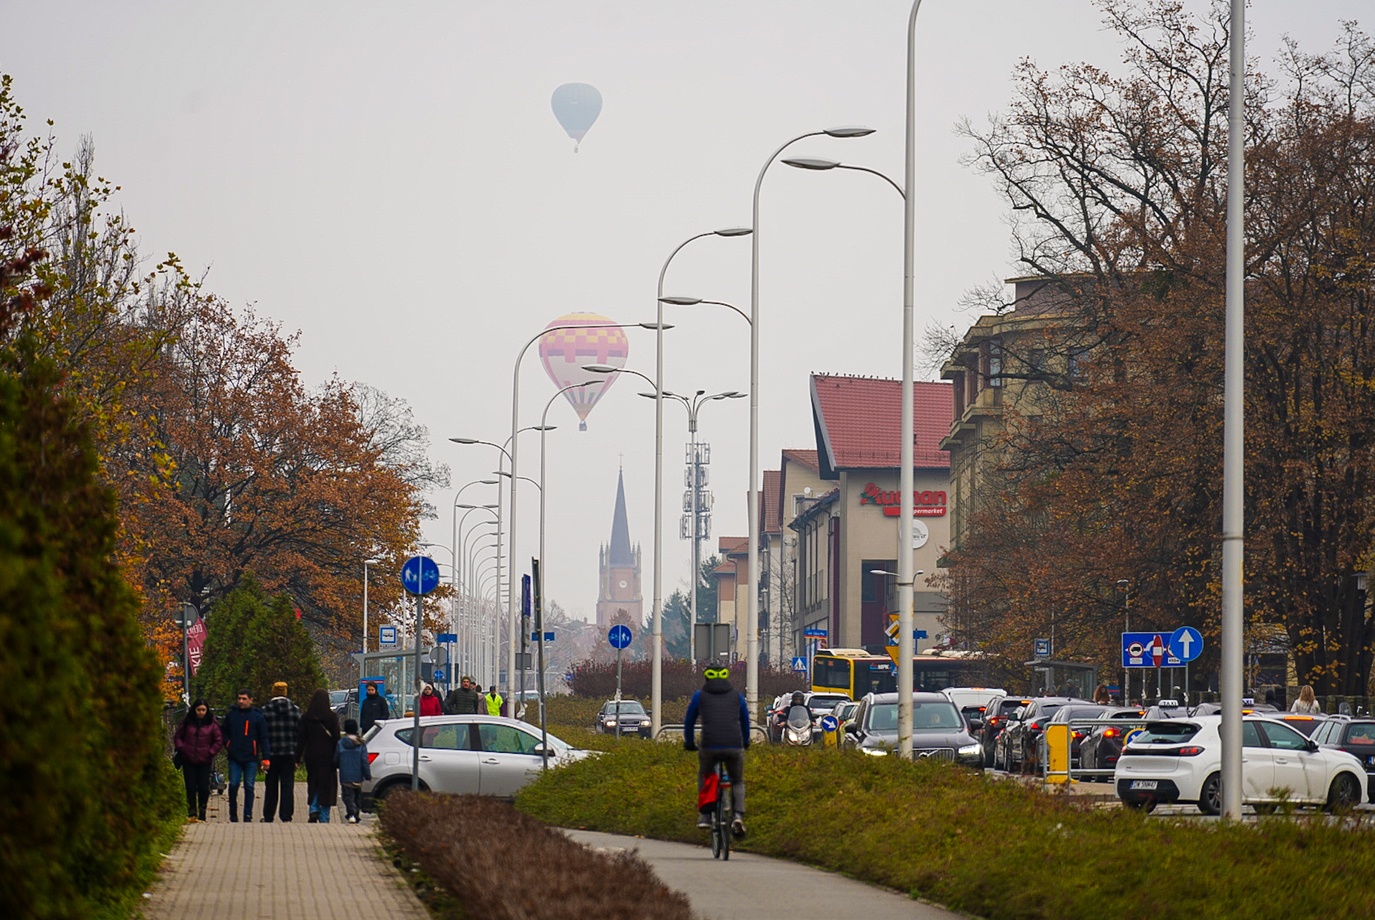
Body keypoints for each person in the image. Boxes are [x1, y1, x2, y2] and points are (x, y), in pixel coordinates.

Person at [683, 665, 750, 839]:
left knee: (706, 775)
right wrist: (746, 741)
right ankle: (738, 815)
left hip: (709, 745)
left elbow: (689, 721)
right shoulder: (737, 696)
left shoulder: (699, 696)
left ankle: (705, 815)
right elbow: (745, 720)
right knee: (737, 781)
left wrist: (689, 743)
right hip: (734, 745)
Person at [221, 688, 270, 823]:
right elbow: (224, 732)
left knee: (249, 786)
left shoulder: (257, 717)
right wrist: (228, 744)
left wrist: (266, 758)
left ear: (251, 700)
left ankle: (248, 815)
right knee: (233, 784)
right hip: (235, 756)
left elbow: (264, 738)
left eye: (244, 699)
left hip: (250, 757)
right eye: (239, 698)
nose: (241, 701)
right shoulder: (231, 715)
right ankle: (233, 812)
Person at [174, 699, 224, 823]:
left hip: (204, 760)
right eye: (198, 710)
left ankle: (202, 811)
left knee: (203, 787)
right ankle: (191, 812)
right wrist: (182, 748)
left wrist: (210, 752)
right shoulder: (187, 722)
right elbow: (178, 737)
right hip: (188, 759)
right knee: (190, 787)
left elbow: (218, 740)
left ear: (207, 710)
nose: (201, 712)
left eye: (203, 710)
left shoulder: (212, 724)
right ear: (194, 710)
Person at [296, 688, 341, 823]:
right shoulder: (331, 717)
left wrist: (297, 758)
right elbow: (336, 738)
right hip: (327, 756)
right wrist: (338, 757)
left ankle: (313, 809)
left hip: (311, 755)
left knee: (313, 782)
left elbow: (301, 739)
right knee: (326, 786)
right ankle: (324, 816)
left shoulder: (306, 717)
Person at [259, 681, 301, 823]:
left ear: (273, 692)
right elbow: (299, 733)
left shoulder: (265, 710)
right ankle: (286, 815)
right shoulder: (295, 710)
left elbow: (262, 734)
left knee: (271, 785)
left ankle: (268, 815)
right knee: (287, 785)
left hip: (271, 753)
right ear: (285, 692)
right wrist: (297, 756)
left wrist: (262, 755)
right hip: (289, 753)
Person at [334, 718, 371, 824]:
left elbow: (336, 759)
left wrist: (337, 765)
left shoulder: (341, 743)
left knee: (347, 796)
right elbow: (364, 761)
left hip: (345, 775)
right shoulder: (361, 744)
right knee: (357, 796)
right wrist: (367, 775)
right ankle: (355, 814)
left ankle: (351, 813)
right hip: (358, 775)